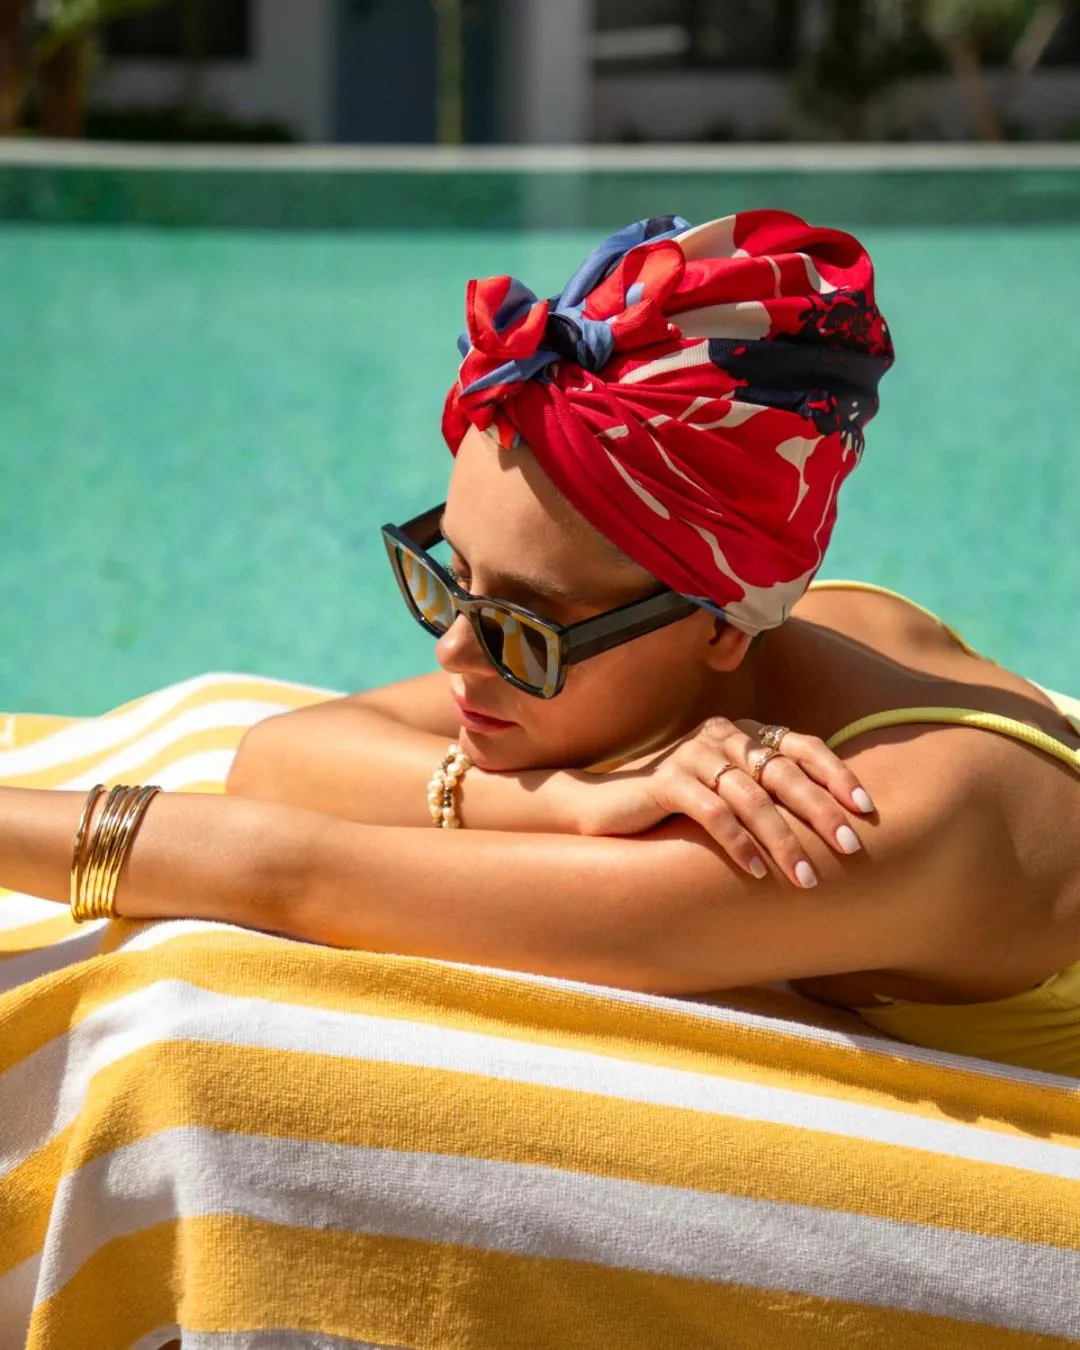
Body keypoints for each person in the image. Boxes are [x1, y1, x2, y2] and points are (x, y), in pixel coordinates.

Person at [2, 210, 1078, 1076]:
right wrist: (564, 801)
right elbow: (277, 757)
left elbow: (296, 873)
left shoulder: (836, 822)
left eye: (519, 624)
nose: (455, 658)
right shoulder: (783, 617)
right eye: (448, 579)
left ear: (713, 626)